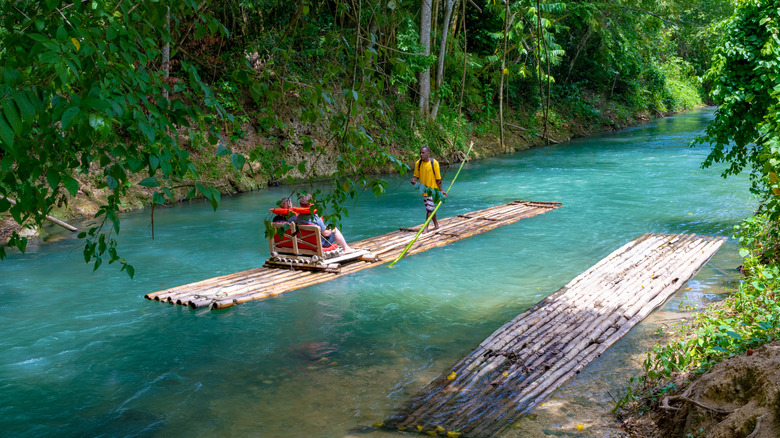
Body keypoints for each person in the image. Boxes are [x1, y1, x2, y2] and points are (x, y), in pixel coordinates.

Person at [410, 146, 446, 233]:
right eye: (420, 153)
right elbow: (416, 176)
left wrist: (441, 190)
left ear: (428, 153)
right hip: (424, 190)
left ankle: (425, 227)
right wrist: (413, 180)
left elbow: (438, 179)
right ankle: (436, 225)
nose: (421, 154)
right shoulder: (418, 163)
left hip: (433, 191)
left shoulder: (434, 163)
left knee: (429, 209)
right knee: (430, 208)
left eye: (423, 153)